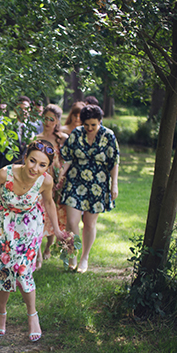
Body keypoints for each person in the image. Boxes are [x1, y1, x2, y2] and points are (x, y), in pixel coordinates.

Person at [0, 140, 65, 342]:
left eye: (42, 165)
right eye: (32, 161)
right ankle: (1, 314)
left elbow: (49, 202)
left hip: (28, 228)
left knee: (23, 272)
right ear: (25, 157)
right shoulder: (5, 173)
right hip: (1, 226)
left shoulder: (45, 181)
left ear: (47, 167)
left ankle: (32, 315)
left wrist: (56, 229)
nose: (35, 168)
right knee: (3, 271)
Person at [58, 104, 120, 273]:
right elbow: (68, 158)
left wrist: (114, 184)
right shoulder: (76, 133)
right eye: (86, 125)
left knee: (89, 224)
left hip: (98, 184)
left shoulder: (108, 136)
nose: (90, 128)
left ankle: (85, 258)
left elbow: (113, 162)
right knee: (71, 221)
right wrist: (60, 175)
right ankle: (72, 255)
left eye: (93, 125)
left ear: (100, 121)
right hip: (75, 181)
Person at [36, 104, 69, 261]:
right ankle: (38, 252)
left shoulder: (62, 139)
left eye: (51, 119)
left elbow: (68, 160)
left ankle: (48, 247)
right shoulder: (36, 139)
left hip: (57, 183)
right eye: (45, 118)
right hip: (40, 182)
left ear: (57, 121)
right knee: (40, 214)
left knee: (53, 215)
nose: (47, 122)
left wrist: (62, 177)